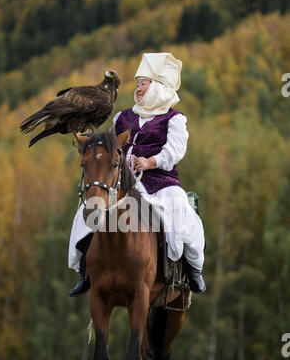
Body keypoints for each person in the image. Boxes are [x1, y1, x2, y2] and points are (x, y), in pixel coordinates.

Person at [68, 52, 206, 296]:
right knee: (89, 207)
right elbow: (109, 147)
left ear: (159, 86)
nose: (138, 88)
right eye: (138, 83)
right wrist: (88, 142)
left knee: (181, 209)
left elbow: (175, 150)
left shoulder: (175, 119)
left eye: (144, 83)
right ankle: (84, 269)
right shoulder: (123, 117)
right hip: (124, 182)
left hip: (162, 183)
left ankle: (192, 269)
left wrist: (150, 162)